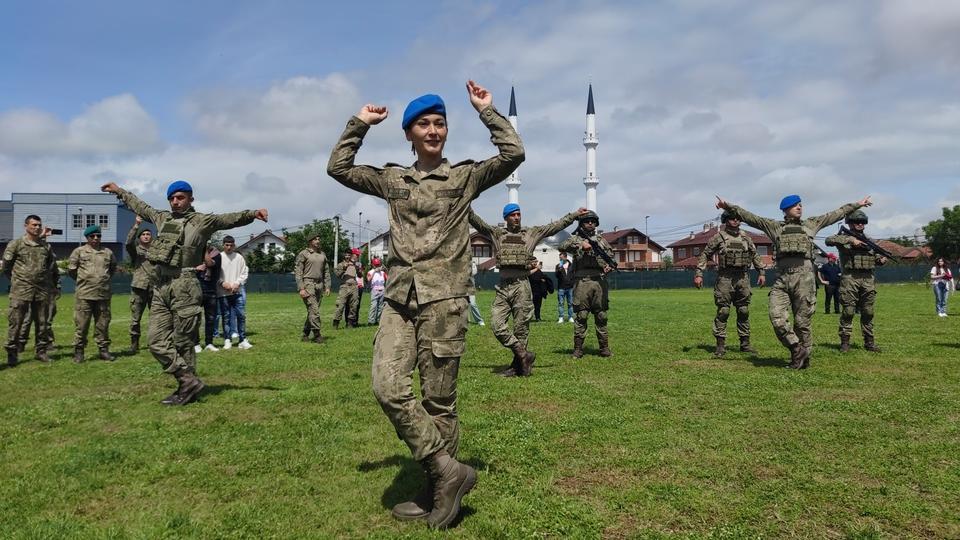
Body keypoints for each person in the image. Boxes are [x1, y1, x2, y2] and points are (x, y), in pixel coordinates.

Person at [326, 81, 523, 529]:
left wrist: (487, 111)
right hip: (399, 299)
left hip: (445, 301)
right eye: (423, 124)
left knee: (439, 402)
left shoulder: (465, 177)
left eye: (439, 123)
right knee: (387, 386)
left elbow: (513, 156)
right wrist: (359, 124)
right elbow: (338, 167)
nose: (433, 130)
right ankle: (449, 471)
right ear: (409, 134)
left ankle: (436, 488)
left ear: (446, 130)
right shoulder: (392, 178)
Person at [101, 180, 267, 406]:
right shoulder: (162, 218)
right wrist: (120, 192)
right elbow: (141, 206)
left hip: (185, 284)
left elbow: (228, 219)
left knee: (183, 341)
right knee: (156, 341)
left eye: (180, 198)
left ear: (190, 199)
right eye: (172, 198)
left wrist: (253, 213)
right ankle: (188, 379)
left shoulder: (202, 221)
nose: (175, 202)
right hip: (160, 286)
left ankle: (185, 388)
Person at [716, 193, 872, 369]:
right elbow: (749, 217)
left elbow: (837, 213)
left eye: (800, 205)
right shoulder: (774, 227)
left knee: (802, 323)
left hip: (804, 279)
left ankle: (803, 358)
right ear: (785, 209)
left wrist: (858, 204)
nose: (799, 207)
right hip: (782, 279)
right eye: (795, 205)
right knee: (776, 317)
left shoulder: (811, 224)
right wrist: (727, 206)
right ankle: (796, 348)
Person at [469, 204, 582, 376]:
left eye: (518, 214)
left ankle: (518, 367)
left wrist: (574, 215)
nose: (516, 217)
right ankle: (523, 354)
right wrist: (465, 203)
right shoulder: (497, 233)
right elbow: (477, 223)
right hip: (503, 286)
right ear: (505, 217)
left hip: (521, 285)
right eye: (512, 215)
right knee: (497, 325)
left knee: (521, 328)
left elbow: (555, 226)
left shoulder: (531, 233)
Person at [693, 209, 766, 357]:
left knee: (743, 311)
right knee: (723, 311)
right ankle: (720, 346)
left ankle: (745, 344)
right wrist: (699, 274)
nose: (736, 221)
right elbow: (705, 254)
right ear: (726, 220)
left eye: (738, 218)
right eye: (732, 218)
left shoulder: (746, 237)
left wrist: (762, 272)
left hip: (742, 277)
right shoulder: (719, 237)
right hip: (725, 278)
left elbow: (754, 255)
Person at [825, 210, 886, 352]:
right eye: (857, 221)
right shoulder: (844, 238)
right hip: (850, 278)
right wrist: (850, 240)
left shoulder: (870, 241)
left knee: (868, 311)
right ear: (849, 223)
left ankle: (869, 342)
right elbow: (829, 240)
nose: (860, 224)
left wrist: (882, 259)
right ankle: (845, 342)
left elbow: (877, 258)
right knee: (849, 310)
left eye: (863, 222)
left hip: (868, 278)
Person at [559, 210, 616, 358]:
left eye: (592, 221)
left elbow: (611, 256)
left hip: (599, 281)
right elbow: (562, 246)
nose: (590, 223)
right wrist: (580, 244)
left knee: (601, 315)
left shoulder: (602, 240)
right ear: (581, 224)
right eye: (586, 221)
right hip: (582, 281)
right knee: (581, 316)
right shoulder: (575, 238)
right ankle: (578, 349)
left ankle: (604, 348)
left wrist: (609, 266)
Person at [3, 215, 58, 366]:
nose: (37, 227)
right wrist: (18, 281)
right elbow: (6, 267)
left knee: (42, 323)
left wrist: (52, 285)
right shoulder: (16, 244)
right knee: (16, 323)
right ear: (26, 226)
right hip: (21, 290)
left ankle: (41, 351)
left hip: (41, 291)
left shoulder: (45, 246)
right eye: (33, 225)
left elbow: (50, 267)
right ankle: (12, 353)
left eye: (39, 225)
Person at [68, 225, 118, 362]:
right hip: (84, 294)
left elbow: (112, 269)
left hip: (103, 294)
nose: (96, 238)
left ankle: (103, 350)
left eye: (98, 236)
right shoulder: (79, 251)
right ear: (87, 237)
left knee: (103, 324)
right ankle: (79, 352)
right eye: (92, 236)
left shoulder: (107, 252)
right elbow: (72, 271)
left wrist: (101, 280)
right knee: (82, 325)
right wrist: (86, 280)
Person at [295, 233, 331, 342]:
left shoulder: (322, 254)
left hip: (319, 284)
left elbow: (326, 271)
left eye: (319, 239)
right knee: (314, 309)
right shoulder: (303, 254)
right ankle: (317, 335)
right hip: (308, 283)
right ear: (310, 241)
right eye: (316, 239)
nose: (318, 241)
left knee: (312, 310)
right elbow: (298, 272)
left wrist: (327, 286)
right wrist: (301, 288)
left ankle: (305, 333)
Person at [126, 216, 154, 353]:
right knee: (136, 318)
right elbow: (128, 243)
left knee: (156, 318)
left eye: (148, 234)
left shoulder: (157, 251)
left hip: (155, 287)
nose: (146, 236)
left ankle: (154, 343)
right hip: (139, 288)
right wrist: (136, 225)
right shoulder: (136, 251)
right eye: (143, 234)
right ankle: (134, 343)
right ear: (140, 237)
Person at [217, 236, 251, 350]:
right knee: (226, 317)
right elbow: (214, 275)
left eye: (231, 245)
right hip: (223, 293)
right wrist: (222, 283)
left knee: (241, 316)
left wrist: (237, 283)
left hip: (237, 292)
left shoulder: (239, 257)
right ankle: (227, 340)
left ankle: (242, 340)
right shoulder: (219, 257)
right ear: (223, 245)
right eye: (227, 245)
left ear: (234, 245)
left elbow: (244, 272)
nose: (229, 247)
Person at [196, 244, 221, 352]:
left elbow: (209, 263)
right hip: (196, 289)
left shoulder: (216, 254)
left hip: (211, 289)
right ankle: (195, 343)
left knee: (210, 318)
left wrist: (205, 250)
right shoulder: (195, 253)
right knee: (195, 318)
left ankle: (209, 343)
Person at [332, 248, 360, 329]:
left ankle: (350, 323)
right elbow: (337, 275)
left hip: (354, 286)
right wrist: (344, 268)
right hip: (344, 286)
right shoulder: (341, 264)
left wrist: (358, 269)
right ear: (344, 255)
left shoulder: (354, 264)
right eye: (346, 254)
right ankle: (336, 323)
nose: (347, 256)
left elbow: (360, 276)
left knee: (354, 306)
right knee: (340, 305)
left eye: (349, 254)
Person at [366, 257, 387, 325]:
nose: (377, 266)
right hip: (374, 290)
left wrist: (385, 270)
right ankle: (371, 321)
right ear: (373, 265)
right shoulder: (370, 272)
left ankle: (378, 320)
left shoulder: (382, 272)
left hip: (382, 289)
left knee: (381, 306)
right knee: (373, 306)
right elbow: (368, 279)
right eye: (376, 265)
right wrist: (375, 271)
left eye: (378, 264)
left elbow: (387, 278)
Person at [555, 251, 574, 323]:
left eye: (561, 257)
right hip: (561, 287)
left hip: (570, 287)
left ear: (565, 257)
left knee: (570, 303)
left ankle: (570, 317)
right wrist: (559, 269)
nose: (560, 259)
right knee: (561, 303)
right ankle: (561, 317)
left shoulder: (571, 265)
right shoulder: (558, 266)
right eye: (559, 258)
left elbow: (574, 275)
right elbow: (556, 276)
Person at [468, 258, 485, 326]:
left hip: (470, 286)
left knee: (472, 304)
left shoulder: (472, 262)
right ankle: (465, 320)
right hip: (460, 286)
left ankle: (480, 320)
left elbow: (474, 272)